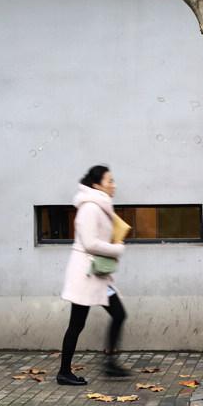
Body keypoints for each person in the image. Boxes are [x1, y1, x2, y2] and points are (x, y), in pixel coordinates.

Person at [57, 165, 130, 385]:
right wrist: (117, 249)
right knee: (77, 324)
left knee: (118, 314)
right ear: (97, 184)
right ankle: (64, 372)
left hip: (97, 274)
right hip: (86, 275)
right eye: (109, 181)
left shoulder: (100, 206)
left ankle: (110, 365)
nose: (113, 184)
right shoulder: (90, 207)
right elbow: (89, 243)